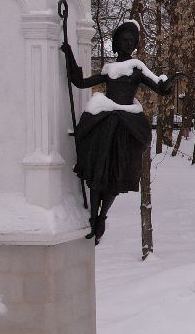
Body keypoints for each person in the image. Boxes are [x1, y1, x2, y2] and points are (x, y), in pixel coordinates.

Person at [62, 20, 174, 243]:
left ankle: (102, 215)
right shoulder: (109, 69)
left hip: (125, 125)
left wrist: (167, 83)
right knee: (97, 172)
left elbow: (158, 86)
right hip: (104, 121)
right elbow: (79, 82)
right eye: (124, 39)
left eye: (132, 40)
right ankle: (94, 217)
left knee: (116, 174)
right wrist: (68, 54)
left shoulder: (137, 67)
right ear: (116, 42)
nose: (128, 43)